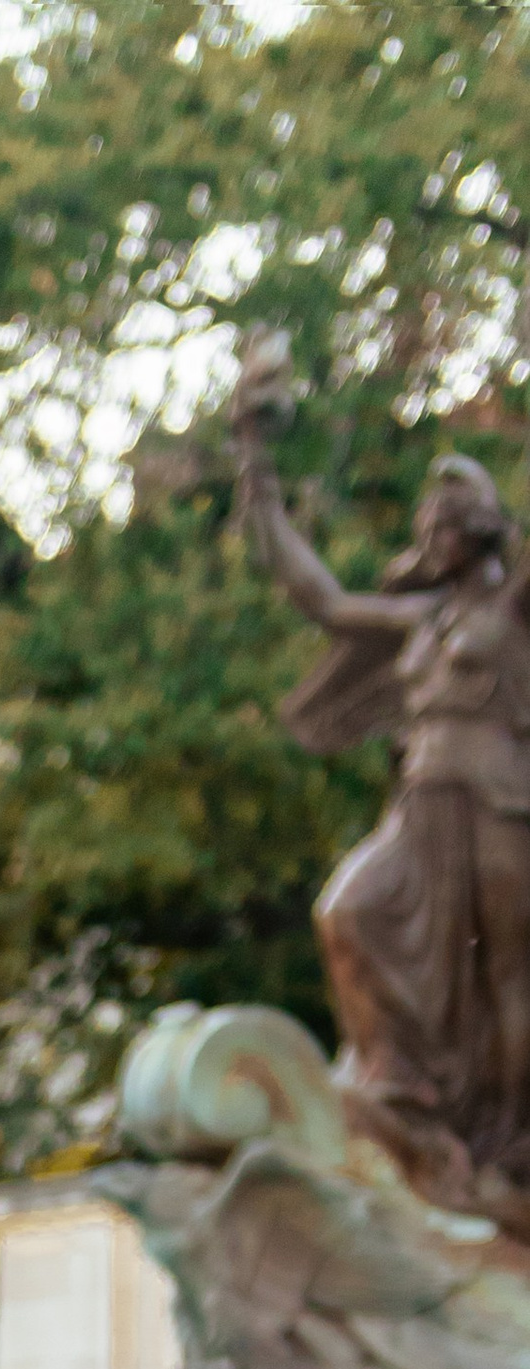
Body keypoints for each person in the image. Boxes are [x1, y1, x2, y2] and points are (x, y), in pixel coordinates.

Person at [238, 426, 530, 1220]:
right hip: (422, 803)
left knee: (510, 976)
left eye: (439, 527)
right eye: (423, 529)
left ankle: (514, 1148)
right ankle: (399, 1086)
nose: (426, 541)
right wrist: (257, 468)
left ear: (479, 529)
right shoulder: (423, 615)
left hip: (500, 804)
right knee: (347, 909)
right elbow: (324, 600)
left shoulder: (515, 602)